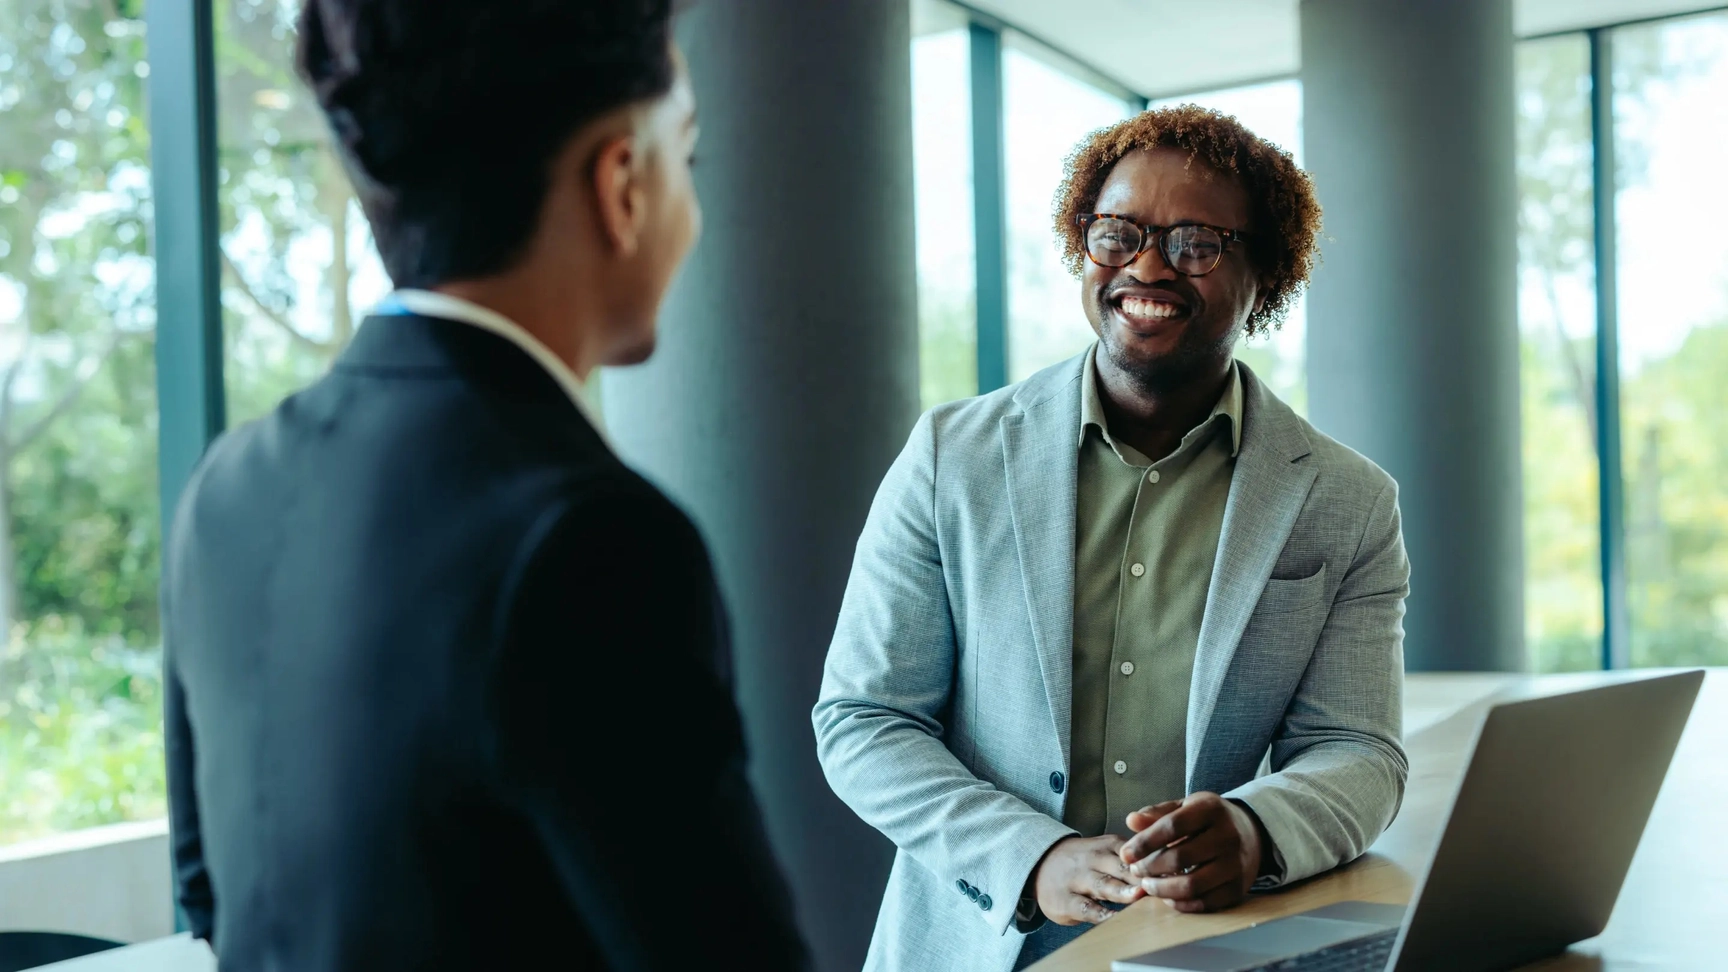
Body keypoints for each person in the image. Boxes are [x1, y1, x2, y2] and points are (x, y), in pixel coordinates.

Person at [160, 2, 808, 968]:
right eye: (689, 158)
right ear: (622, 185)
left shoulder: (227, 487)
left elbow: (208, 897)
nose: (694, 207)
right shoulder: (594, 536)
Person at [813, 105, 1410, 972]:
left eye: (1196, 243)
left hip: (1210, 949)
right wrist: (1031, 856)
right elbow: (865, 719)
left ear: (1266, 271)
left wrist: (1254, 830)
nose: (1147, 267)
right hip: (974, 947)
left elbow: (1358, 750)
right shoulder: (952, 457)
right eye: (1117, 233)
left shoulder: (1348, 500)